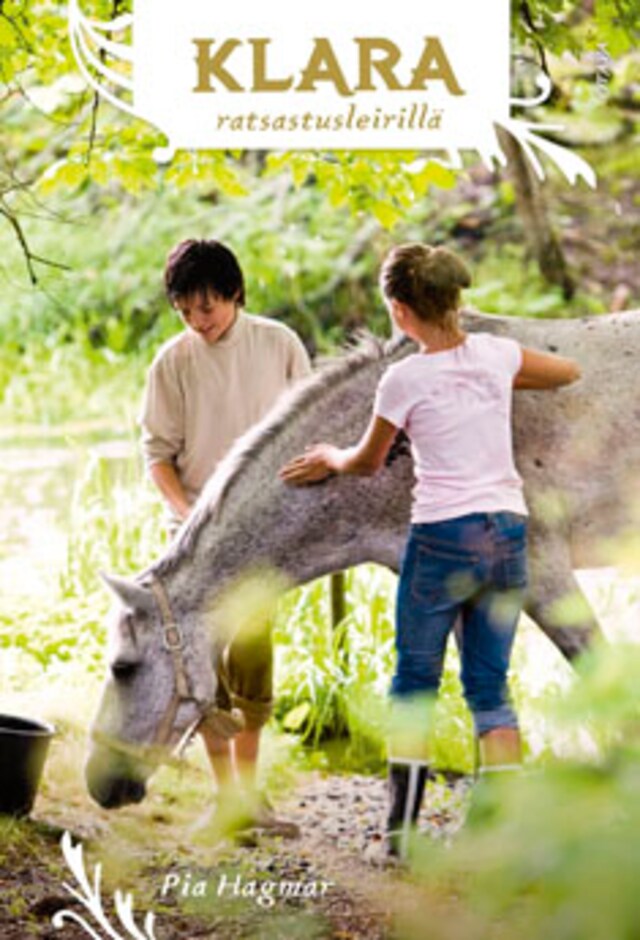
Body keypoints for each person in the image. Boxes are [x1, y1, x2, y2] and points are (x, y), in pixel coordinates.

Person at [279, 242, 581, 857]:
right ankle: (502, 832)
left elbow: (365, 462)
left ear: (398, 310)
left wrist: (328, 457)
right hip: (506, 533)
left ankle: (399, 838)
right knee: (490, 690)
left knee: (414, 684)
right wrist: (497, 375)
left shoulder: (404, 377)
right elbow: (566, 372)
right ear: (456, 300)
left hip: (443, 539)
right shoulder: (495, 355)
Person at [140, 238, 311, 836]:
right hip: (193, 538)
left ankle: (250, 797)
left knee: (253, 660)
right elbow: (157, 454)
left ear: (234, 293)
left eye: (206, 308)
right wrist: (189, 512)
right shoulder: (173, 361)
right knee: (205, 665)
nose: (197, 322)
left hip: (263, 531)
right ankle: (225, 799)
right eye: (185, 311)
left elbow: (302, 431)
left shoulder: (278, 344)